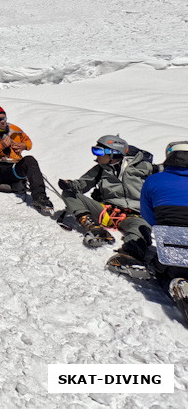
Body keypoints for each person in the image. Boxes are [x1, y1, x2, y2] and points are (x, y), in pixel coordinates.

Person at [58, 135, 154, 278]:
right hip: (107, 212)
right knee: (69, 194)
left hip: (135, 214)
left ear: (113, 153)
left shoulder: (144, 168)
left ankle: (129, 255)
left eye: (98, 152)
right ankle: (95, 229)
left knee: (140, 230)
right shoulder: (100, 169)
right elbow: (82, 185)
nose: (95, 156)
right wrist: (71, 185)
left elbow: (165, 180)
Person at [139, 141, 188, 323]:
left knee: (163, 269)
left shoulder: (153, 180)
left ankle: (176, 283)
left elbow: (147, 214)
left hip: (171, 243)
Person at [0, 105, 53, 213]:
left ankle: (40, 197)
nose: (3, 121)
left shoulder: (16, 131)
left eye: (4, 118)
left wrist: (24, 146)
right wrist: (0, 146)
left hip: (14, 167)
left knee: (30, 160)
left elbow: (28, 142)